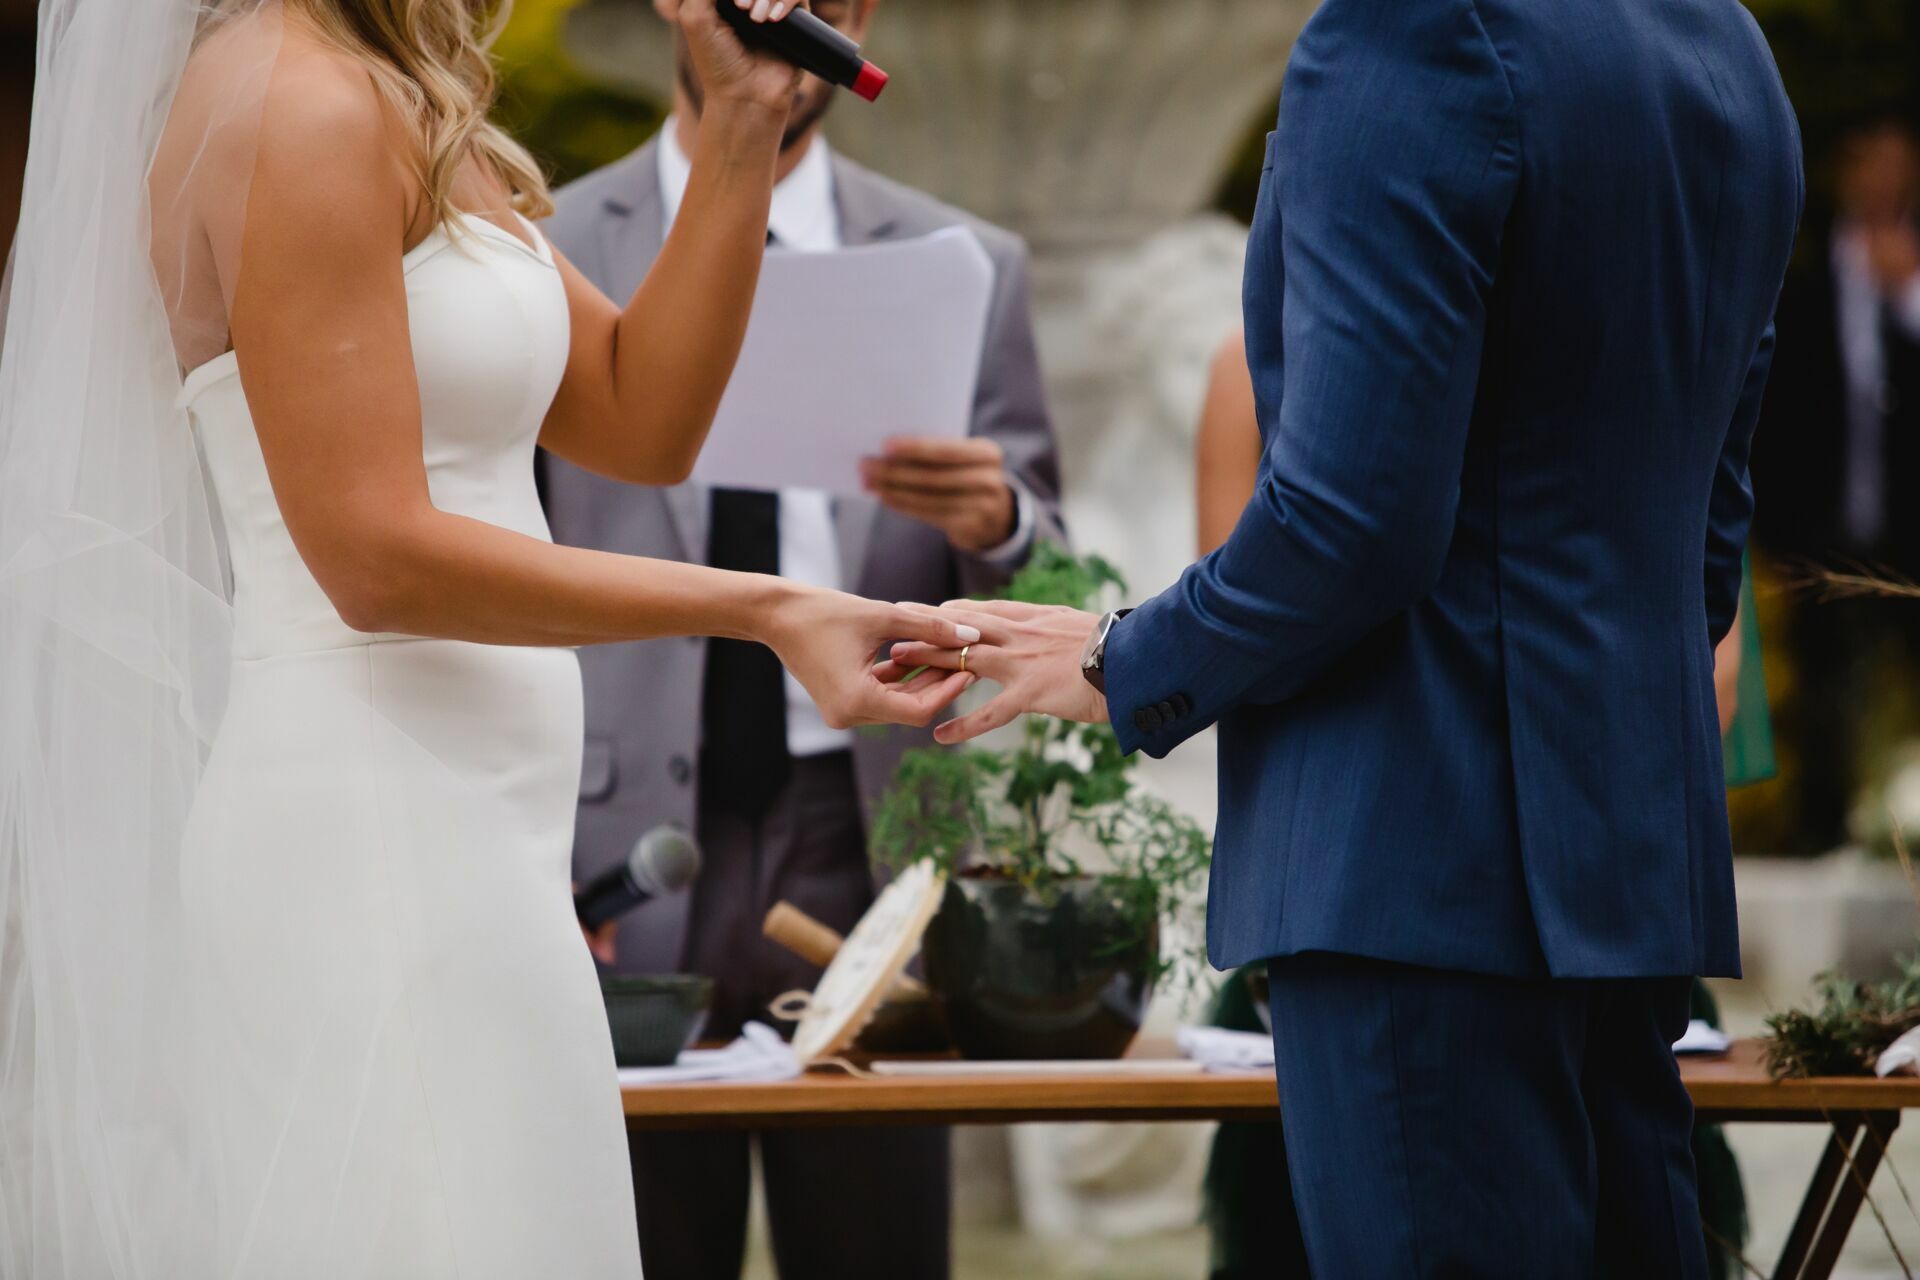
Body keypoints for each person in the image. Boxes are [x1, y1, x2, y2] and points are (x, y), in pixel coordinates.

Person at [0, 0, 980, 1273]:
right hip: (367, 830)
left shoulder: (404, 96)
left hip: (485, 832)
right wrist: (765, 604)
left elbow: (641, 415)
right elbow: (372, 556)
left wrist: (743, 121)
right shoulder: (293, 101)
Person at [897, 1, 1804, 1273]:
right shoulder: (1722, 44)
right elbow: (1712, 522)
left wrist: (1119, 659)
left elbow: (1349, 516)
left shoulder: (1406, 34)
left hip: (1412, 871)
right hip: (1628, 864)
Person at [539, 3, 1064, 1274]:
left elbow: (1056, 569)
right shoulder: (548, 242)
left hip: (866, 826)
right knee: (639, 1235)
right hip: (611, 841)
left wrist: (995, 517)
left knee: (876, 1235)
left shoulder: (964, 258)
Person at [1749, 113, 1920, 852]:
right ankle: (1825, 838)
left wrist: (1908, 296)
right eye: (1866, 162)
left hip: (1908, 522)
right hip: (1821, 522)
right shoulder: (1807, 277)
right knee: (1823, 687)